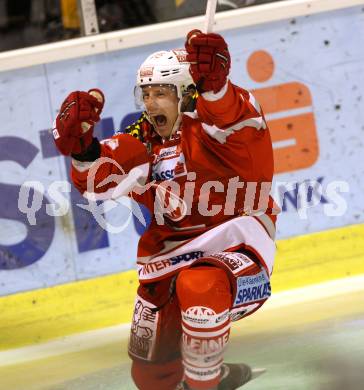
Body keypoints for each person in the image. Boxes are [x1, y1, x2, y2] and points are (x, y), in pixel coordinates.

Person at [52, 29, 279, 390]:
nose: (150, 103)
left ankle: (205, 382)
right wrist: (83, 151)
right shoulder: (143, 138)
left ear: (187, 91)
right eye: (146, 93)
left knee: (199, 286)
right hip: (167, 259)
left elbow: (234, 118)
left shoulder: (219, 125)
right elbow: (100, 185)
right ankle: (217, 377)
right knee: (151, 375)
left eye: (161, 92)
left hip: (237, 247)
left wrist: (216, 88)